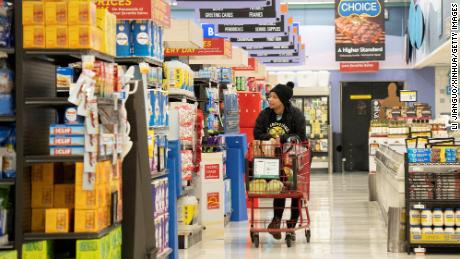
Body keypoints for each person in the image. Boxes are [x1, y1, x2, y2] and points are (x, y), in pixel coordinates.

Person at [253, 81, 307, 240]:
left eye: (274, 97)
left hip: (295, 158)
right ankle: (276, 221)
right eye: (269, 96)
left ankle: (291, 226)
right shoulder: (265, 114)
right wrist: (272, 139)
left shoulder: (296, 115)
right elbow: (257, 133)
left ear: (283, 100)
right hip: (273, 159)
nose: (270, 100)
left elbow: (301, 136)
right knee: (279, 189)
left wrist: (282, 139)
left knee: (296, 193)